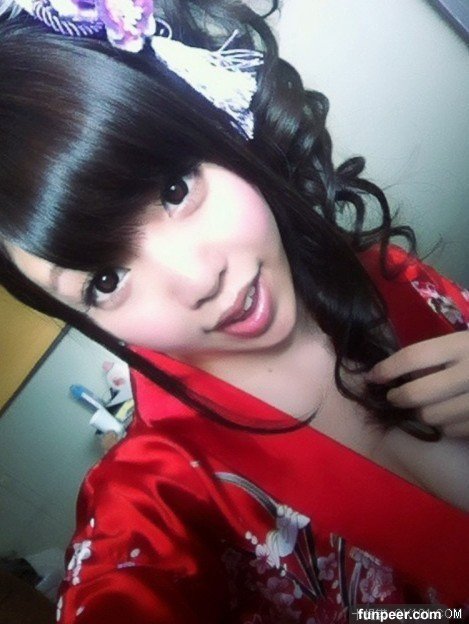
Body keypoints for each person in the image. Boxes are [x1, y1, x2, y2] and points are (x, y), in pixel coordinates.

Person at [0, 1, 468, 622]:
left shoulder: (387, 274)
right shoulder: (162, 498)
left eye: (175, 190)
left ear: (214, 127)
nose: (199, 279)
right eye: (106, 281)